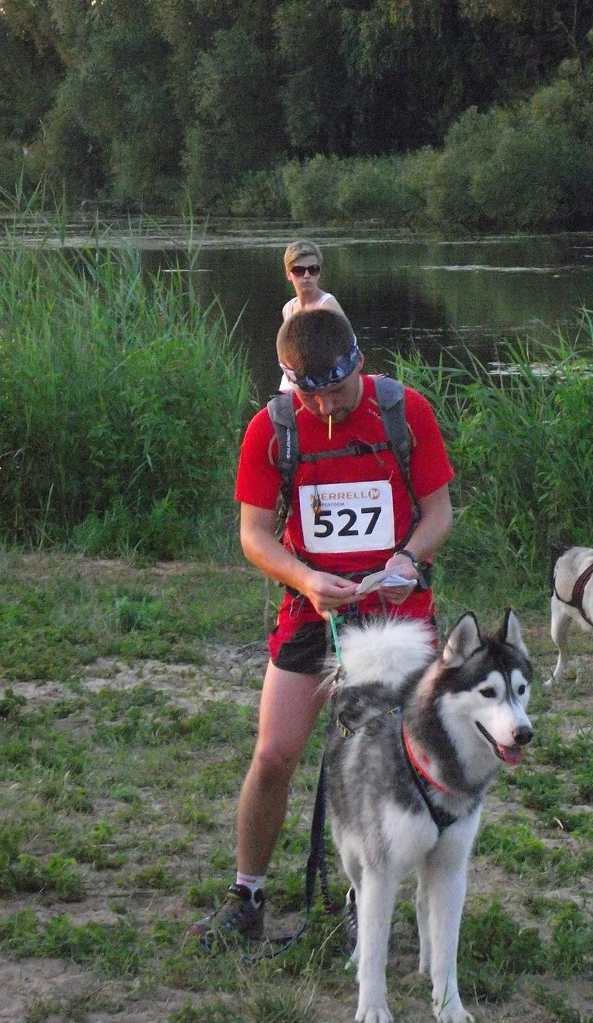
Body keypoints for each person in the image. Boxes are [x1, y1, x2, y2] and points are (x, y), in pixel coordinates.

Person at [189, 308, 454, 943]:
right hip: (312, 609)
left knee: (401, 762)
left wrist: (407, 559)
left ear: (358, 363)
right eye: (308, 393)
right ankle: (246, 894)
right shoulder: (273, 428)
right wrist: (307, 581)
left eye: (334, 390)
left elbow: (439, 513)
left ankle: (384, 896)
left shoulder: (404, 412)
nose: (324, 406)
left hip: (396, 608)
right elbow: (254, 536)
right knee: (275, 752)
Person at [278, 240, 346, 391]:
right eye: (299, 271)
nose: (307, 275)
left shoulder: (327, 305)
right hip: (292, 381)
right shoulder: (288, 308)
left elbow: (347, 350)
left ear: (319, 272)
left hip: (322, 384)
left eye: (313, 269)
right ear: (289, 274)